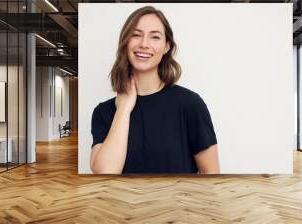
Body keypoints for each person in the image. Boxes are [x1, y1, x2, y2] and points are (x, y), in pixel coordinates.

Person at [90, 6, 219, 174]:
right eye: (136, 35)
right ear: (125, 42)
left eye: (155, 37)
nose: (144, 44)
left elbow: (212, 177)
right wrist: (123, 109)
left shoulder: (190, 104)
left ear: (166, 46)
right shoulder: (104, 112)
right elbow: (105, 174)